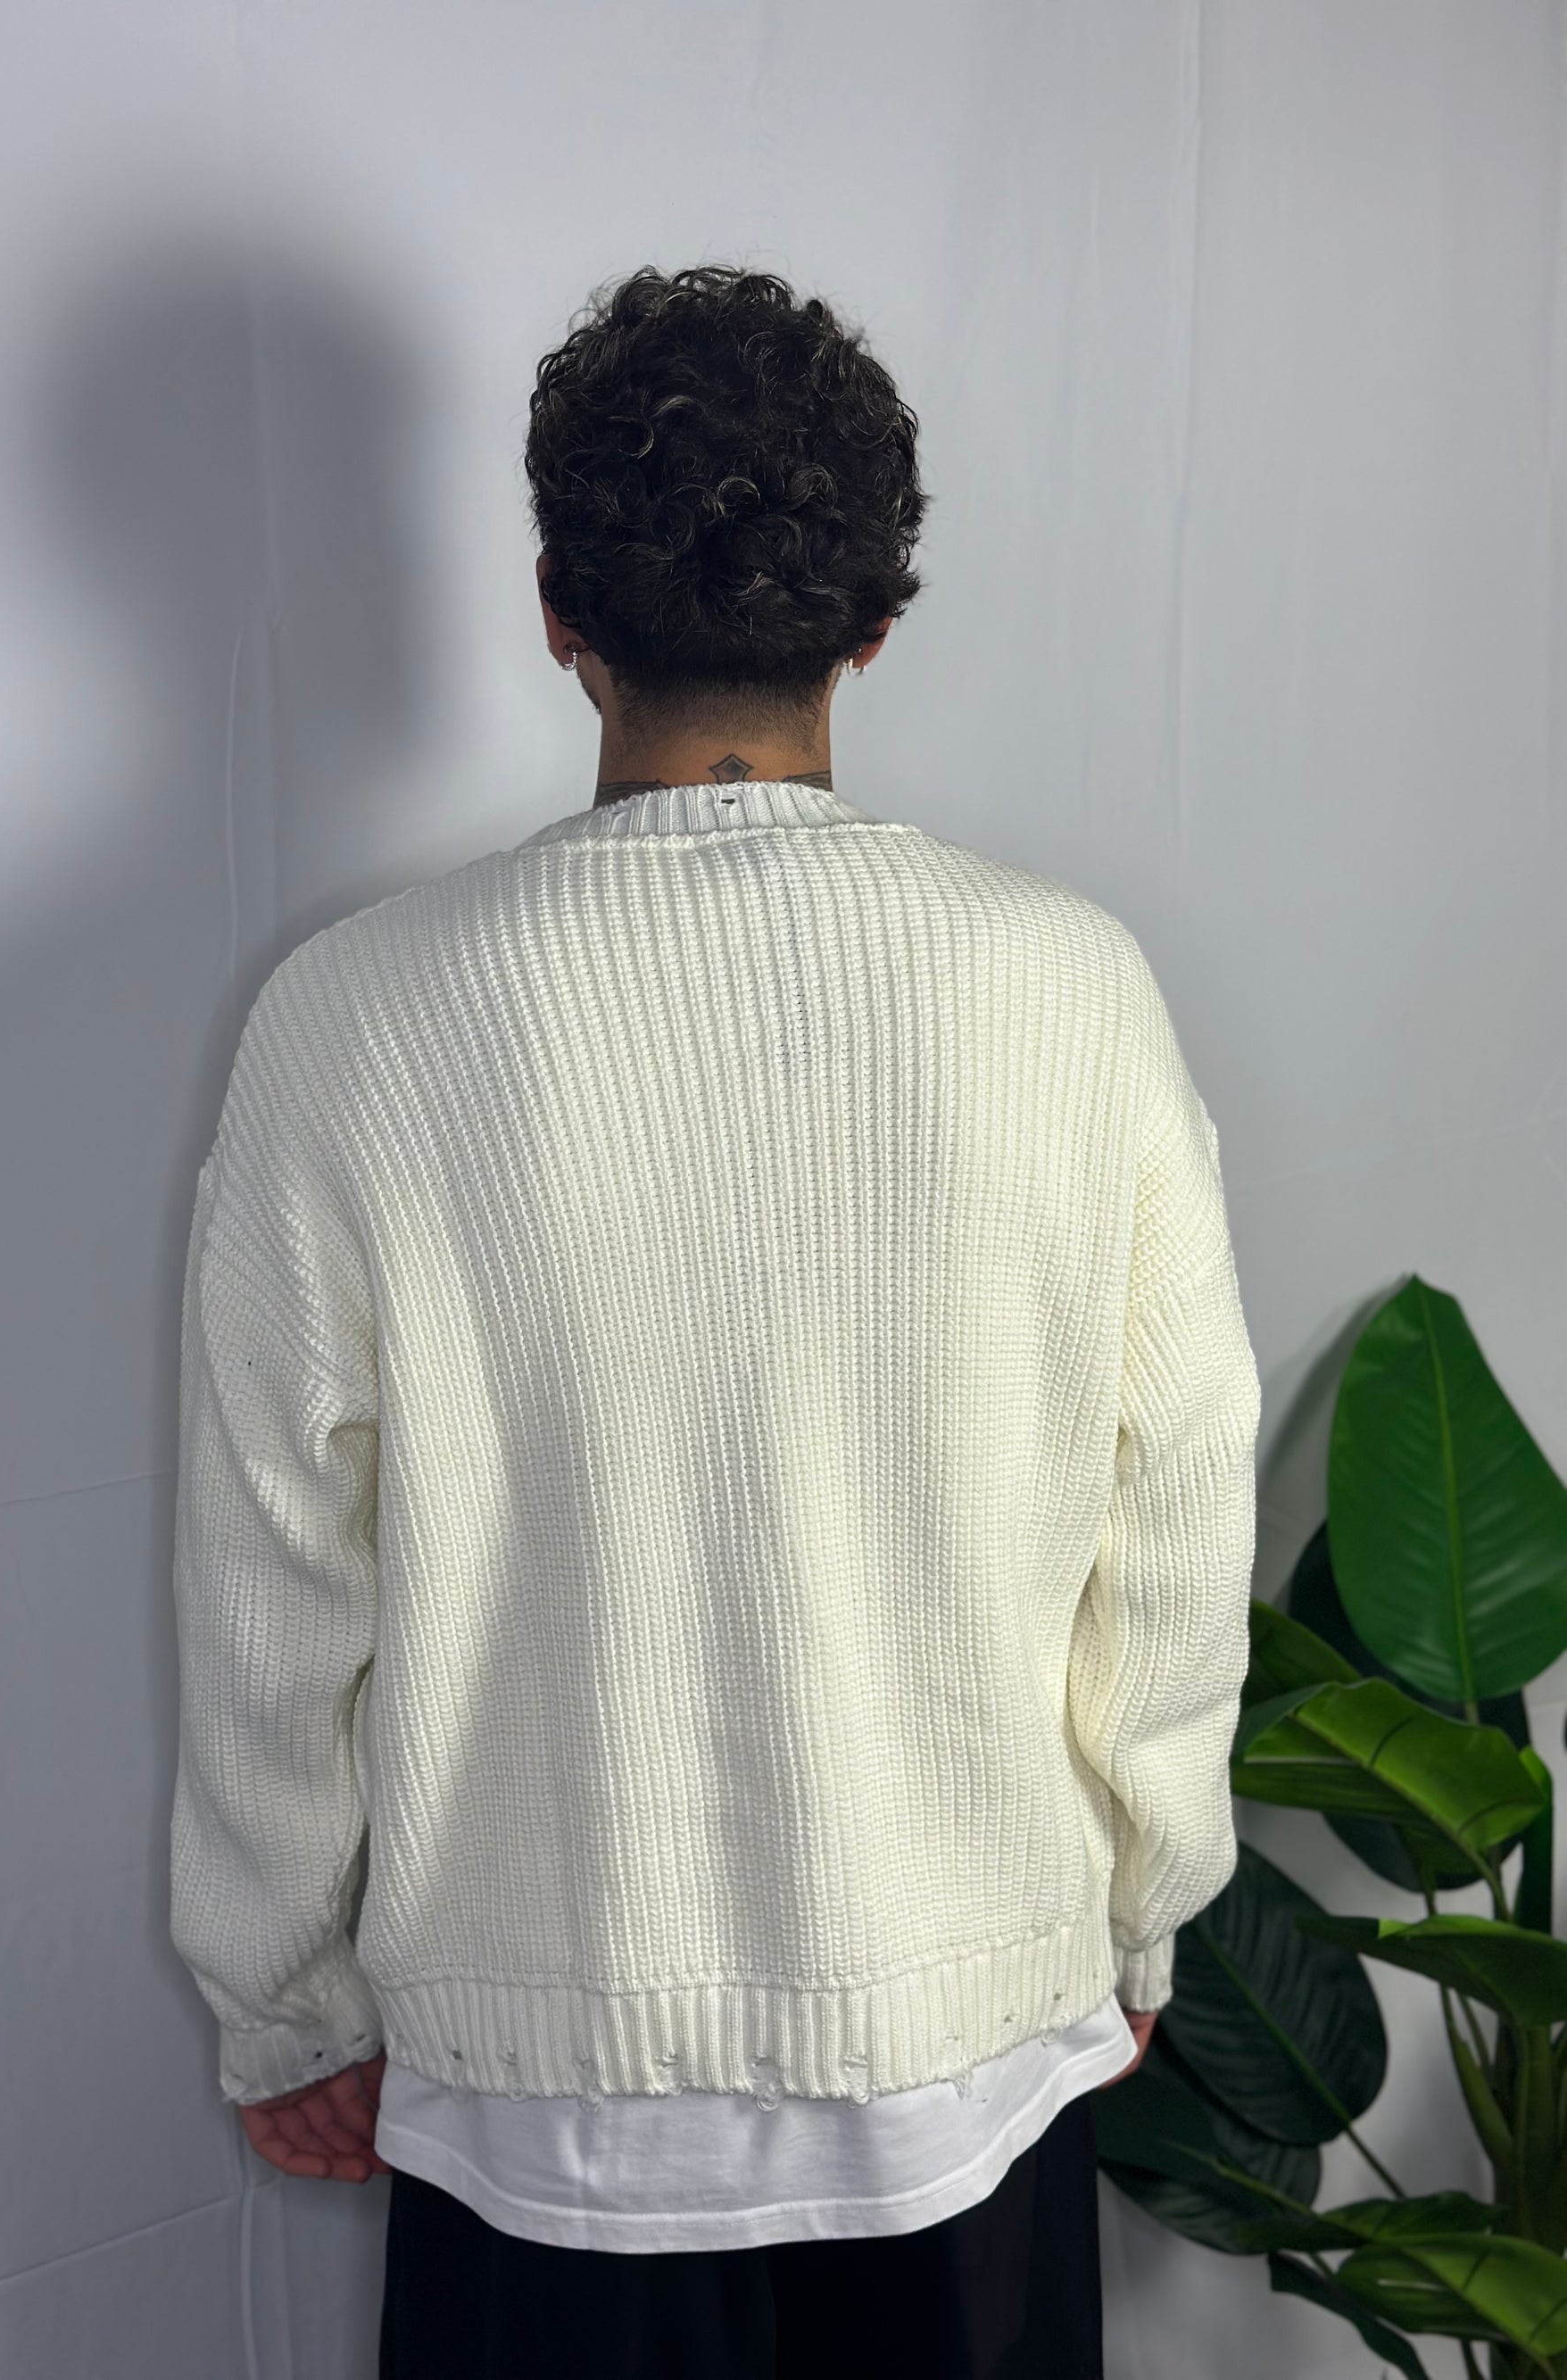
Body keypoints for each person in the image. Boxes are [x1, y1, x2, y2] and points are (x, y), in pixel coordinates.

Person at [169, 263, 1262, 2377]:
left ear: (558, 614)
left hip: (537, 2101)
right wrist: (1139, 1907)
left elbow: (268, 1574)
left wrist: (281, 1990)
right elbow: (1177, 1511)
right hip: (968, 2058)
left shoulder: (356, 1022)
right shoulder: (1071, 993)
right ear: (871, 621)